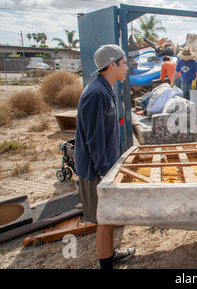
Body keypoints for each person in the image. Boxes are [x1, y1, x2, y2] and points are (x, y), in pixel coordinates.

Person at [74, 44, 135, 269]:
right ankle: (107, 264)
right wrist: (103, 174)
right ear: (112, 65)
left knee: (108, 217)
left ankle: (110, 255)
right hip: (96, 170)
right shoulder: (96, 94)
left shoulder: (105, 88)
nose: (127, 67)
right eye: (124, 63)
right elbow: (94, 140)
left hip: (104, 167)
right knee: (104, 219)